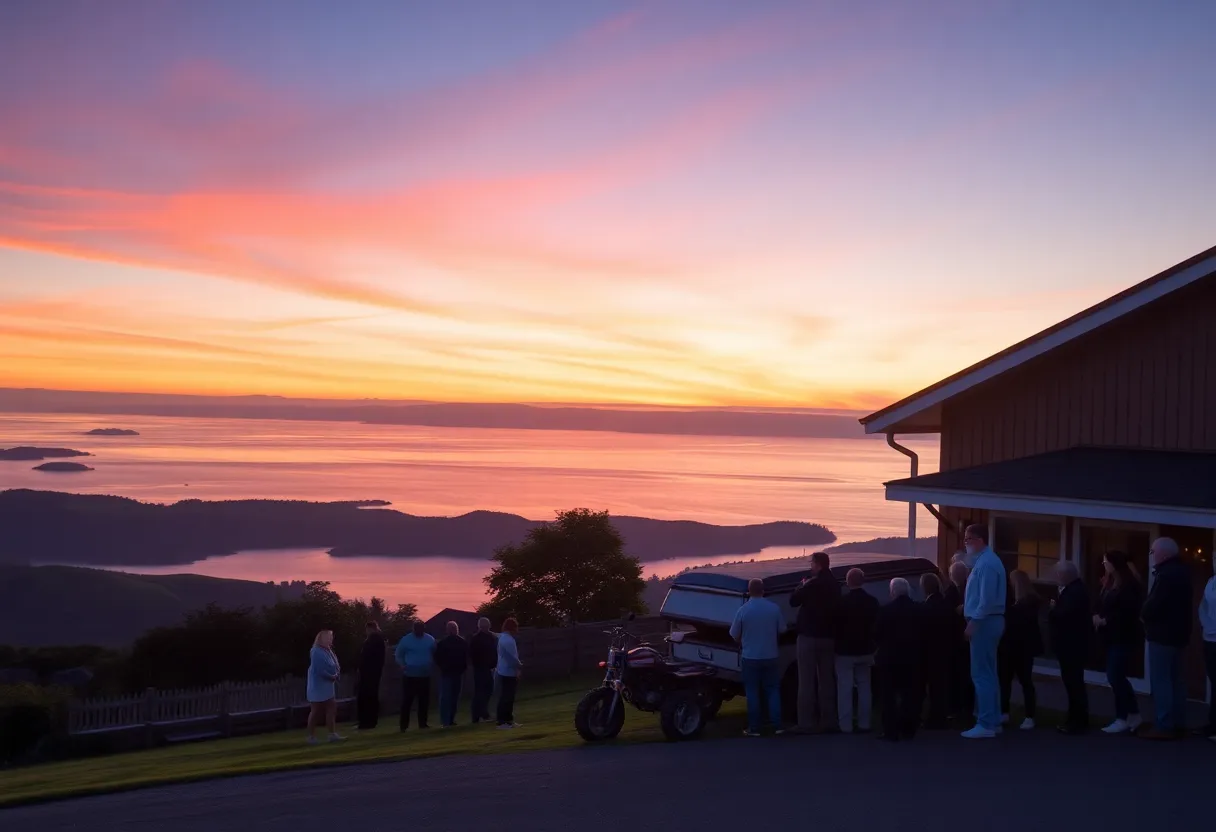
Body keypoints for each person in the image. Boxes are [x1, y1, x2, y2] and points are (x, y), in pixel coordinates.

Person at [1141, 537, 1193, 740]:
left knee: (1161, 680)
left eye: (1153, 551)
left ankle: (1164, 725)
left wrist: (1143, 613)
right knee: (1176, 680)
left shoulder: (1166, 575)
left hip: (1163, 635)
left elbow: (1154, 604)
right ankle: (1179, 722)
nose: (1151, 555)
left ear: (1163, 554)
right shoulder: (1182, 572)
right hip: (1179, 634)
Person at [960, 524, 1006, 739]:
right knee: (989, 672)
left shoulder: (987, 564)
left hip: (985, 623)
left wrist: (974, 622)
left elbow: (986, 600)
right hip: (988, 621)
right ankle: (993, 720)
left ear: (979, 540)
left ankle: (986, 722)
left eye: (969, 538)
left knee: (981, 674)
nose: (966, 542)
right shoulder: (985, 561)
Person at [789, 551, 840, 733]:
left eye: (812, 563)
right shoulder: (835, 585)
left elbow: (793, 601)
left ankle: (806, 722)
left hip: (809, 636)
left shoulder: (811, 584)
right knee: (827, 680)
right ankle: (829, 720)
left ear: (817, 564)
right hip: (828, 637)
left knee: (806, 681)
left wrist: (800, 587)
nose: (810, 566)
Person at [1094, 550, 1143, 734]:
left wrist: (1106, 620)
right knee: (1116, 676)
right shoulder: (1111, 584)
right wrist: (1097, 615)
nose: (1103, 565)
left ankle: (1123, 716)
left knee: (1115, 675)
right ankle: (1132, 713)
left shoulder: (1129, 585)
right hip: (1112, 636)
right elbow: (1102, 604)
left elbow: (1128, 612)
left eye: (1106, 561)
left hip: (1124, 637)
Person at [730, 578, 786, 736]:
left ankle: (754, 728)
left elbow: (734, 634)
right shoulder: (773, 608)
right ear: (763, 590)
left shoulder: (743, 610)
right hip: (771, 655)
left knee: (752, 692)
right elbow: (782, 629)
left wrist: (744, 640)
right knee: (773, 690)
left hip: (750, 657)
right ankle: (777, 725)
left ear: (749, 591)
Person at [875, 578, 925, 742]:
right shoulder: (919, 609)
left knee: (888, 695)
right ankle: (908, 728)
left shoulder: (885, 611)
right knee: (910, 694)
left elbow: (877, 635)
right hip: (912, 657)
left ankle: (890, 730)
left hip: (889, 658)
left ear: (893, 592)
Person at [834, 568, 880, 733]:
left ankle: (845, 725)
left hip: (845, 651)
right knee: (864, 686)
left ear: (847, 582)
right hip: (866, 650)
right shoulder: (872, 602)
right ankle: (864, 723)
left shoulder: (841, 603)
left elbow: (835, 627)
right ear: (863, 581)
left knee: (844, 688)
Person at [1049, 561, 1090, 735]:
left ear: (1065, 575)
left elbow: (1065, 615)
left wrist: (1053, 609)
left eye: (1058, 574)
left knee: (1074, 683)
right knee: (1073, 682)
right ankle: (1076, 717)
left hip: (1071, 645)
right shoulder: (1076, 590)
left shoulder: (1074, 592)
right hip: (1071, 644)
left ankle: (1077, 720)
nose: (1056, 577)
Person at [1000, 569, 1043, 731]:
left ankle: (1029, 715)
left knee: (1025, 681)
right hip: (1013, 647)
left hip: (1021, 648)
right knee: (1005, 680)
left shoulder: (1028, 603)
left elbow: (1017, 623)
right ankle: (1004, 712)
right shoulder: (1017, 602)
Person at [919, 572, 954, 729]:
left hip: (931, 652)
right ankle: (942, 715)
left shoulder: (927, 608)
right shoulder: (946, 604)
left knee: (933, 686)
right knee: (942, 685)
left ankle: (934, 717)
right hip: (946, 650)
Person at [943, 560, 973, 720]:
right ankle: (956, 707)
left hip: (968, 638)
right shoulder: (950, 592)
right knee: (956, 675)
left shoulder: (970, 590)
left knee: (966, 675)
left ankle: (966, 707)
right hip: (955, 640)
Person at [395, 619, 436, 731]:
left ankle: (423, 724)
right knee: (407, 701)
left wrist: (431, 664)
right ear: (413, 629)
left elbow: (434, 653)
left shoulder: (430, 640)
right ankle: (404, 726)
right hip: (410, 675)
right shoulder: (406, 640)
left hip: (424, 675)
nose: (419, 632)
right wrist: (402, 665)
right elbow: (398, 654)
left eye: (421, 630)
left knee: (424, 701)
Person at [306, 630, 345, 744]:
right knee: (316, 710)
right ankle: (311, 736)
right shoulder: (315, 651)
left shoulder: (328, 651)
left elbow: (336, 664)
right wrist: (330, 676)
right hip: (318, 685)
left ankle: (332, 734)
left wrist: (336, 674)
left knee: (331, 708)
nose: (330, 639)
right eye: (328, 637)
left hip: (328, 685)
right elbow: (318, 670)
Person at [434, 621, 469, 727]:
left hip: (455, 673)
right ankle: (446, 721)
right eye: (452, 628)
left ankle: (449, 720)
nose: (453, 630)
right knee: (448, 697)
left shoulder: (459, 642)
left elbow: (465, 657)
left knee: (453, 697)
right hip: (449, 673)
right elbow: (438, 658)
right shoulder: (445, 643)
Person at [355, 621, 386, 730]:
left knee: (368, 697)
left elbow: (372, 658)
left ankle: (367, 722)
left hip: (370, 673)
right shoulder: (372, 640)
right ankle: (367, 721)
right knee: (368, 697)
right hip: (369, 673)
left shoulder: (375, 640)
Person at [469, 617, 498, 724]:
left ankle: (479, 714)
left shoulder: (490, 637)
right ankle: (481, 714)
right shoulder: (477, 639)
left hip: (487, 668)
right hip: (481, 668)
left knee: (485, 691)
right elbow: (473, 655)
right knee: (481, 692)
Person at [1199, 568, 1216, 741]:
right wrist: (1206, 625)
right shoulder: (1211, 582)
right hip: (1209, 638)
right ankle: (1213, 724)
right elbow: (1203, 606)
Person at [496, 617, 522, 729]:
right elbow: (512, 658)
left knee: (506, 697)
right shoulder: (509, 640)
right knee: (507, 697)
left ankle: (508, 720)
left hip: (502, 670)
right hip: (509, 672)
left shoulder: (502, 638)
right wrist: (519, 667)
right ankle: (504, 721)